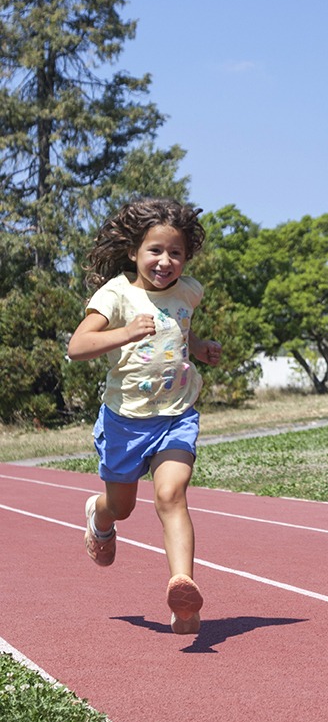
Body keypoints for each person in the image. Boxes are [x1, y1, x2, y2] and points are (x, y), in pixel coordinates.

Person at [68, 198, 222, 635]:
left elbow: (178, 330)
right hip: (125, 421)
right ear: (134, 251)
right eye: (155, 250)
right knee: (123, 505)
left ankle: (183, 595)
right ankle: (99, 518)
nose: (165, 261)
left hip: (176, 415)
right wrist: (125, 331)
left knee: (171, 495)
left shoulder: (189, 291)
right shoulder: (116, 294)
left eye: (176, 253)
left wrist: (199, 347)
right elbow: (77, 348)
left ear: (186, 258)